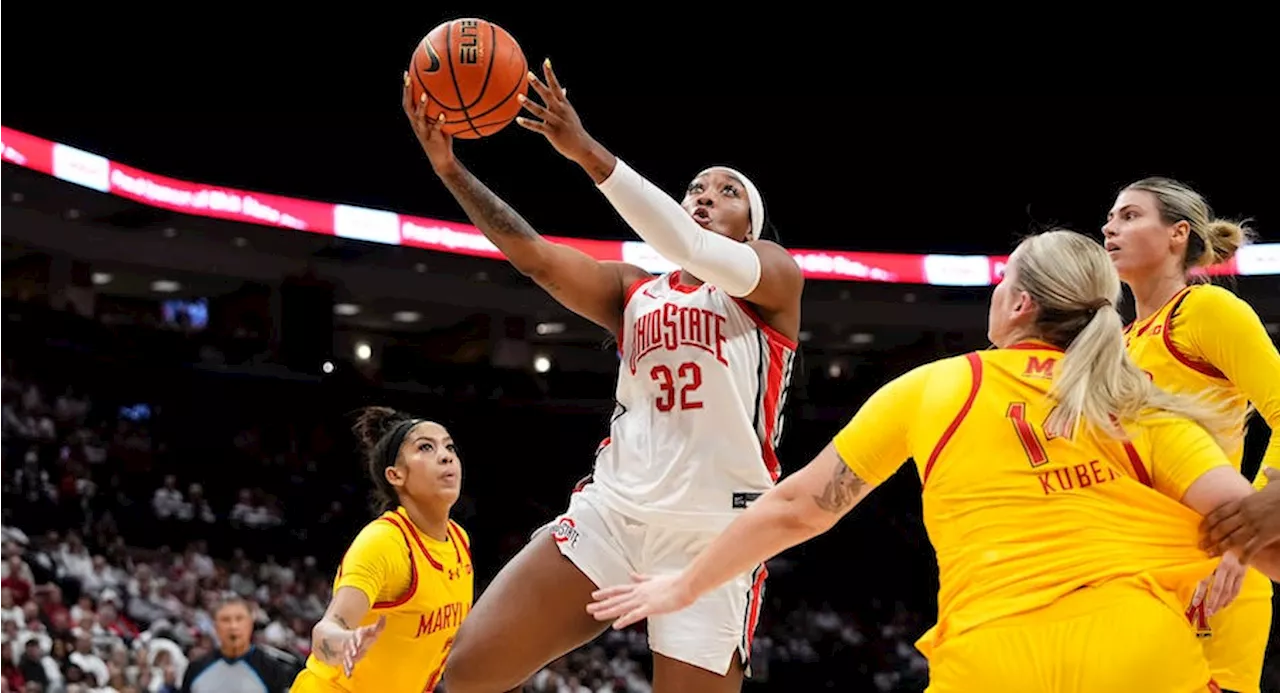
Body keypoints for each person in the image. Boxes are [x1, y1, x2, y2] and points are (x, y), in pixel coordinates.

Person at [586, 230, 1280, 692]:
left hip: (992, 659)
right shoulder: (1142, 404)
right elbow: (1257, 534)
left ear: (1018, 301)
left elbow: (798, 507)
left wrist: (687, 584)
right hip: (1138, 650)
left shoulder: (940, 385)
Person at [401, 57, 804, 693]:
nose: (704, 196)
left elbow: (690, 247)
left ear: (750, 227)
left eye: (727, 191)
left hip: (715, 534)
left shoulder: (773, 281)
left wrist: (585, 150)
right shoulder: (633, 290)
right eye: (696, 188)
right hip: (612, 514)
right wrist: (453, 171)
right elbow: (533, 257)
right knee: (464, 675)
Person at [1103, 177, 1280, 693]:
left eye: (1130, 215)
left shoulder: (1206, 310)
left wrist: (1262, 511)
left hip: (1214, 568)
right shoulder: (1115, 342)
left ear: (1178, 233)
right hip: (1136, 571)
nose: (1111, 227)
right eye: (1110, 218)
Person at [289, 407, 473, 693]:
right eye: (426, 447)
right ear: (395, 475)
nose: (446, 455)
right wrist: (345, 643)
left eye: (449, 446)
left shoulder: (459, 541)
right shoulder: (384, 543)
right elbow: (326, 632)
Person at [180, 596, 300, 693]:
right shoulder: (195, 669)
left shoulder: (272, 669)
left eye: (239, 619)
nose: (233, 626)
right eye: (225, 620)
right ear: (215, 627)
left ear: (250, 624)